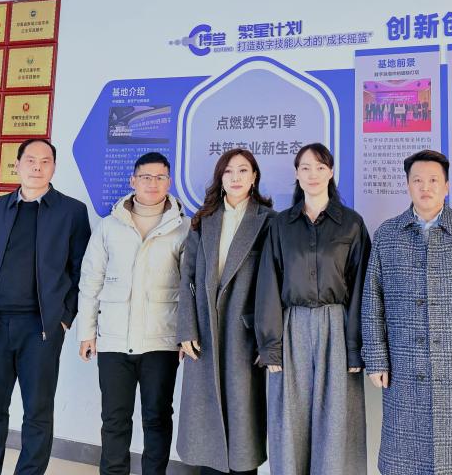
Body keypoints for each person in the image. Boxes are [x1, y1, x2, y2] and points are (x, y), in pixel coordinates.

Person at [0, 138, 91, 475]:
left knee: (38, 413)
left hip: (40, 329)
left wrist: (64, 318)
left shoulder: (72, 212)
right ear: (17, 165)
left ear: (54, 168)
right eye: (30, 160)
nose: (37, 167)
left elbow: (82, 273)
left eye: (45, 161)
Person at [362, 149, 452, 475]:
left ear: (447, 185)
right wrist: (376, 357)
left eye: (434, 180)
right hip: (403, 366)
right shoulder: (387, 235)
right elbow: (371, 301)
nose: (426, 187)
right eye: (418, 180)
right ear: (408, 185)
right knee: (403, 460)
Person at [255, 143, 370, 475]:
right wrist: (271, 346)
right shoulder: (281, 225)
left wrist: (355, 347)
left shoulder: (351, 224)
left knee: (335, 419)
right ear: (296, 174)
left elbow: (361, 288)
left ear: (331, 172)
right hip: (291, 326)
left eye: (320, 167)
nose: (313, 174)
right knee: (289, 417)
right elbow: (268, 284)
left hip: (337, 326)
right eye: (305, 167)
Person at [77, 152, 189, 475]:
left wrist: (185, 335)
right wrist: (87, 332)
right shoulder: (110, 226)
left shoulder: (183, 228)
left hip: (161, 342)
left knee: (157, 418)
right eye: (145, 177)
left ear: (169, 182)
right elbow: (91, 281)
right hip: (114, 341)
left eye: (159, 177)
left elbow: (190, 287)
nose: (152, 183)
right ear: (133, 181)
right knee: (114, 420)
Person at [176, 148, 275, 475]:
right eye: (228, 171)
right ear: (220, 178)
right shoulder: (203, 219)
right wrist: (186, 328)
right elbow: (187, 276)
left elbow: (276, 284)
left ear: (254, 177)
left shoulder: (269, 221)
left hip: (244, 334)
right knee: (206, 430)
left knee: (243, 426)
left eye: (243, 170)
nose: (235, 177)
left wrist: (268, 339)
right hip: (204, 332)